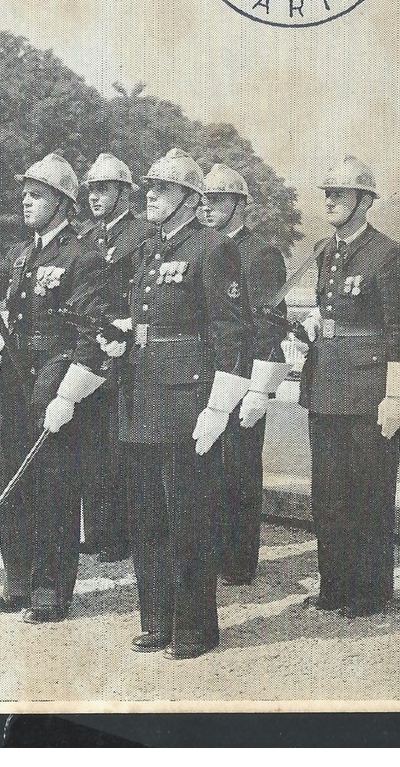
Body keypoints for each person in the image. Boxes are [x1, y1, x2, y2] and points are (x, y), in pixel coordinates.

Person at [100, 148, 257, 660]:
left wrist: (218, 407)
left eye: (161, 189)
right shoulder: (149, 250)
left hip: (187, 404)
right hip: (141, 399)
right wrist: (121, 338)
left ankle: (194, 627)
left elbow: (233, 333)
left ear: (189, 199)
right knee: (146, 517)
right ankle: (156, 618)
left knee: (190, 519)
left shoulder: (212, 249)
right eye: (147, 188)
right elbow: (147, 319)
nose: (149, 195)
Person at [0, 152, 105, 623]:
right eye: (24, 194)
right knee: (12, 481)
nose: (25, 201)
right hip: (16, 376)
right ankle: (17, 579)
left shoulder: (83, 257)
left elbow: (90, 336)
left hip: (55, 375)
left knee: (54, 487)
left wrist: (68, 393)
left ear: (62, 202)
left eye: (36, 195)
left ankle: (50, 589)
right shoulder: (23, 255)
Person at [299, 156, 400, 618]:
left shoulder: (389, 255)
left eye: (342, 194)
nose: (331, 201)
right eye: (327, 194)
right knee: (328, 494)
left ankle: (370, 592)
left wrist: (396, 395)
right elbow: (328, 315)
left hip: (369, 391)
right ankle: (335, 586)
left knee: (368, 494)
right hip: (326, 385)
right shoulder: (323, 250)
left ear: (365, 202)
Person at [202, 163, 287, 585]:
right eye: (204, 199)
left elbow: (270, 325)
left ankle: (237, 561)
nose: (209, 207)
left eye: (218, 199)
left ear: (240, 205)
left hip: (245, 377)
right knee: (206, 470)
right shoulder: (202, 249)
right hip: (208, 377)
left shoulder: (261, 255)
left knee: (237, 471)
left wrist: (260, 390)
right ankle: (210, 552)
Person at [77, 153, 149, 563]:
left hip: (124, 351)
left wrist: (126, 326)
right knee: (91, 445)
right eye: (91, 190)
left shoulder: (141, 235)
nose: (95, 197)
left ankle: (121, 534)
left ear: (124, 192)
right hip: (91, 346)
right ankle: (98, 530)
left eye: (103, 189)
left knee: (118, 445)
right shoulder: (88, 237)